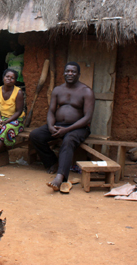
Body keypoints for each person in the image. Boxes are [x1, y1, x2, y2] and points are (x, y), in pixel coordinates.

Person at [29, 62, 95, 191]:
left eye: (73, 72)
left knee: (68, 140)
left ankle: (60, 177)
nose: (70, 74)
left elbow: (87, 118)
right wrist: (50, 126)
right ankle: (52, 162)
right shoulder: (58, 90)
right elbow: (51, 112)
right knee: (35, 135)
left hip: (78, 128)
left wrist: (67, 130)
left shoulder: (86, 91)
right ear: (64, 73)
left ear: (79, 74)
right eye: (67, 71)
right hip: (59, 125)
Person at [0, 69, 25, 172]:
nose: (9, 79)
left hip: (16, 120)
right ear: (3, 77)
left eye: (12, 78)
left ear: (15, 81)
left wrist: (5, 122)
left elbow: (19, 112)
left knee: (5, 129)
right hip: (0, 118)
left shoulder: (18, 92)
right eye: (7, 77)